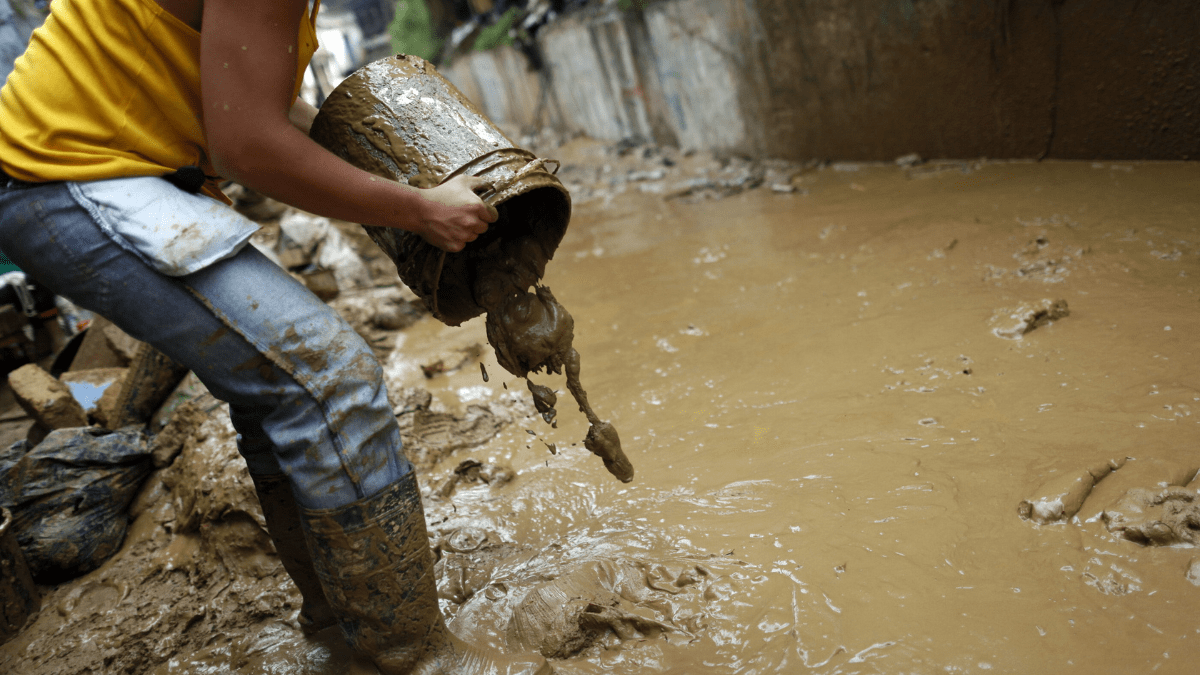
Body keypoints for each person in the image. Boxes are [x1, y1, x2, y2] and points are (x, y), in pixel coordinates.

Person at [0, 0, 548, 673]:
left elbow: (257, 107)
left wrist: (415, 179)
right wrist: (415, 209)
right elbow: (247, 145)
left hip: (128, 165)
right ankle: (414, 657)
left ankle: (339, 629)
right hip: (73, 170)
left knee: (279, 391)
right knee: (330, 379)